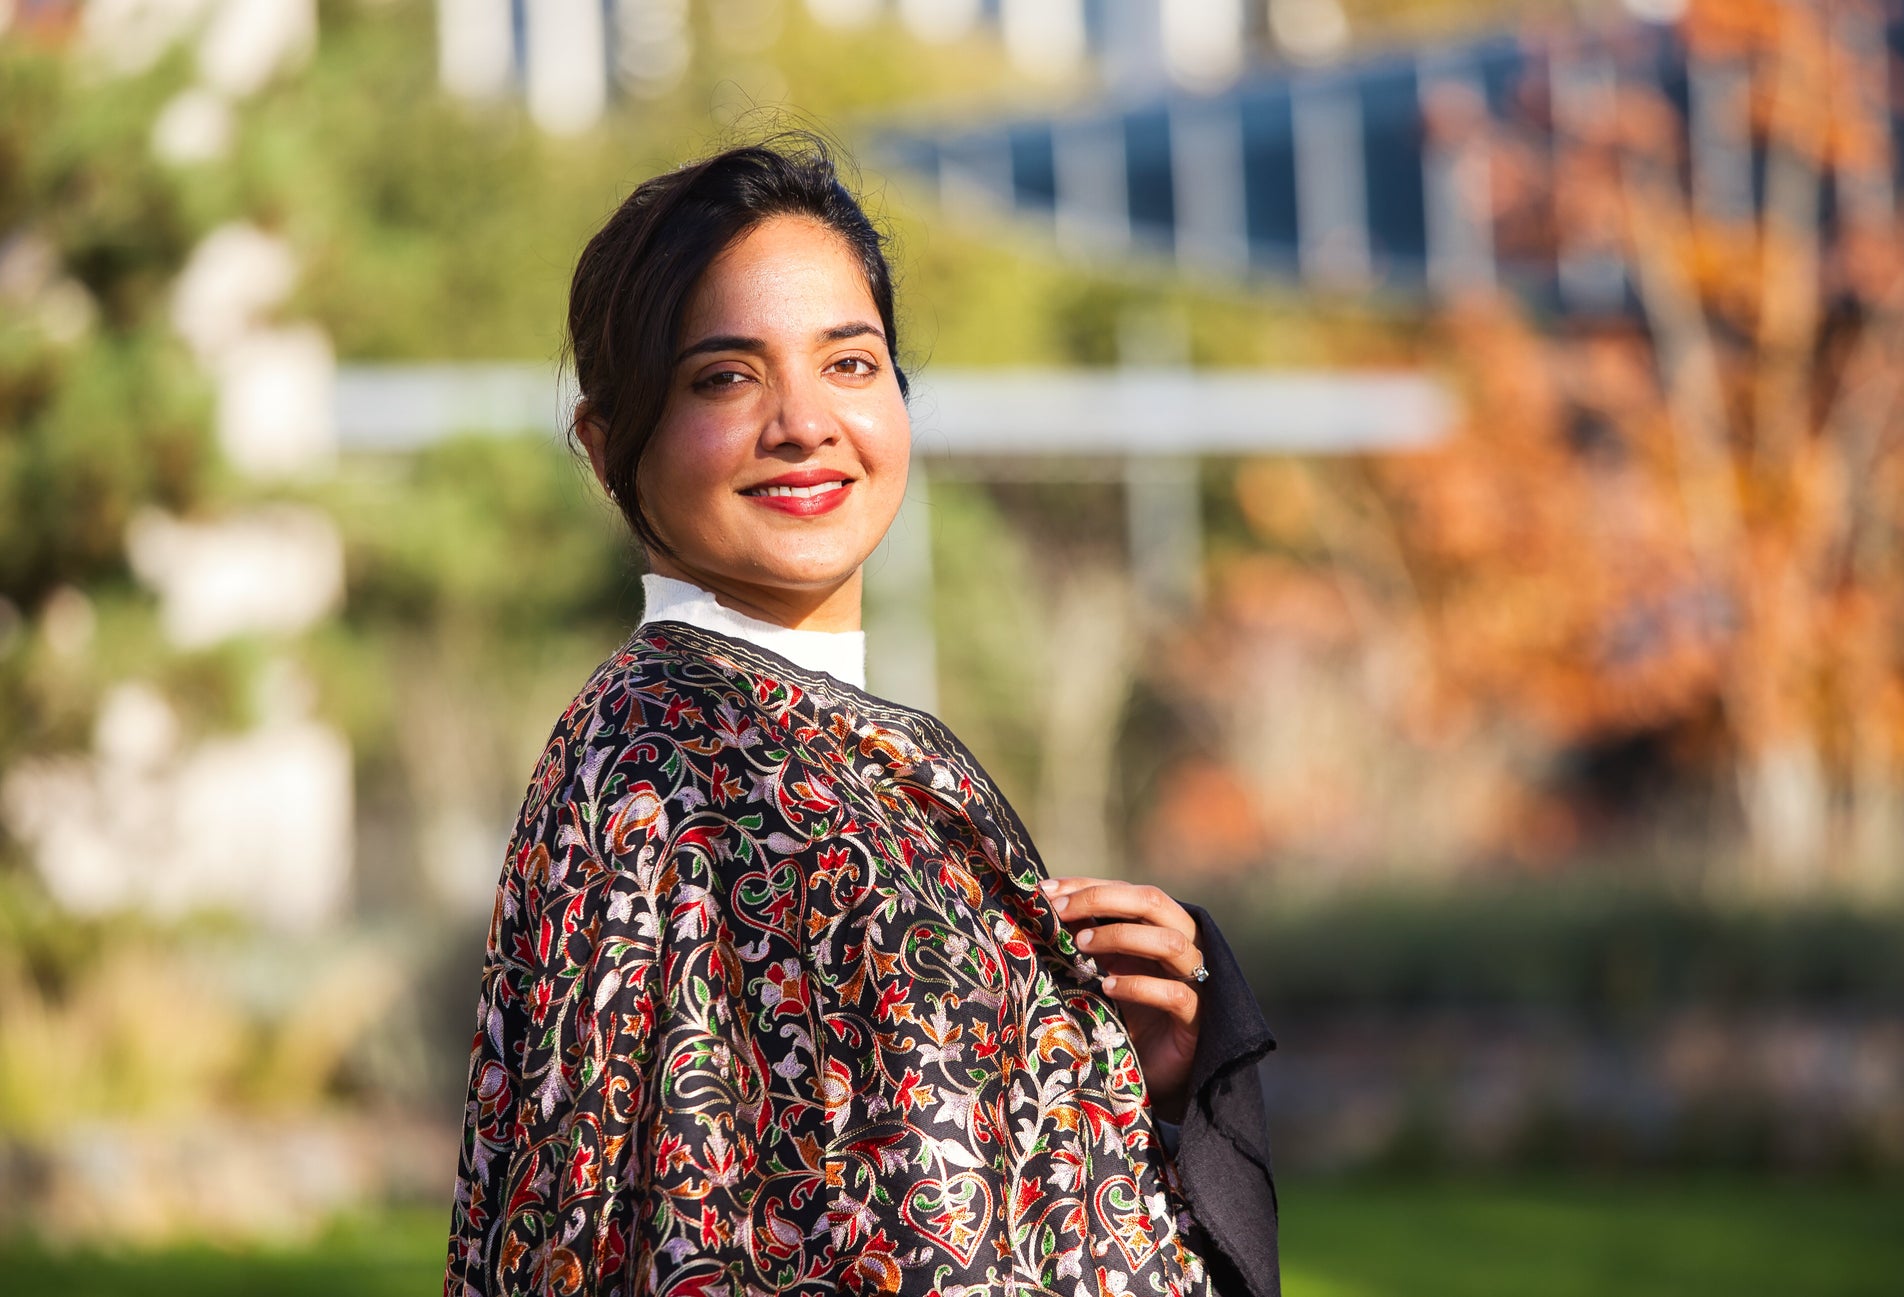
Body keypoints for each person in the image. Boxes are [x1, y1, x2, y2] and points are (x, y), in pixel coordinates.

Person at [445, 135, 1279, 1297]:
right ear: (604, 442)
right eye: (724, 377)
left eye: (848, 363)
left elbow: (913, 1149)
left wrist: (1099, 1065)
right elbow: (626, 1218)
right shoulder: (660, 762)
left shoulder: (852, 747)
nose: (803, 423)